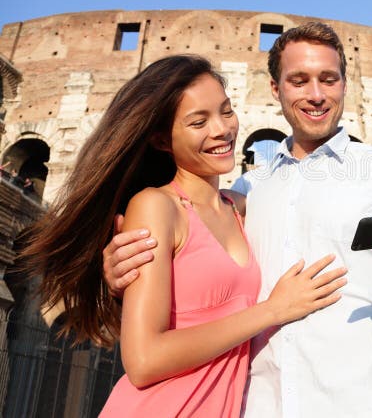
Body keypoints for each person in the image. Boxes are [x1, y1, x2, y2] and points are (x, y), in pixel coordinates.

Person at [105, 22, 372, 417]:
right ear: (276, 89)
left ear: (345, 83)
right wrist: (124, 273)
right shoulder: (247, 191)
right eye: (299, 80)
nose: (316, 95)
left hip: (363, 403)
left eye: (329, 79)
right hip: (261, 406)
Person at [21, 55, 346, 417]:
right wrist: (272, 310)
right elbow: (143, 361)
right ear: (161, 139)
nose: (222, 129)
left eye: (226, 111)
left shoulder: (239, 208)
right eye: (198, 121)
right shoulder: (156, 206)